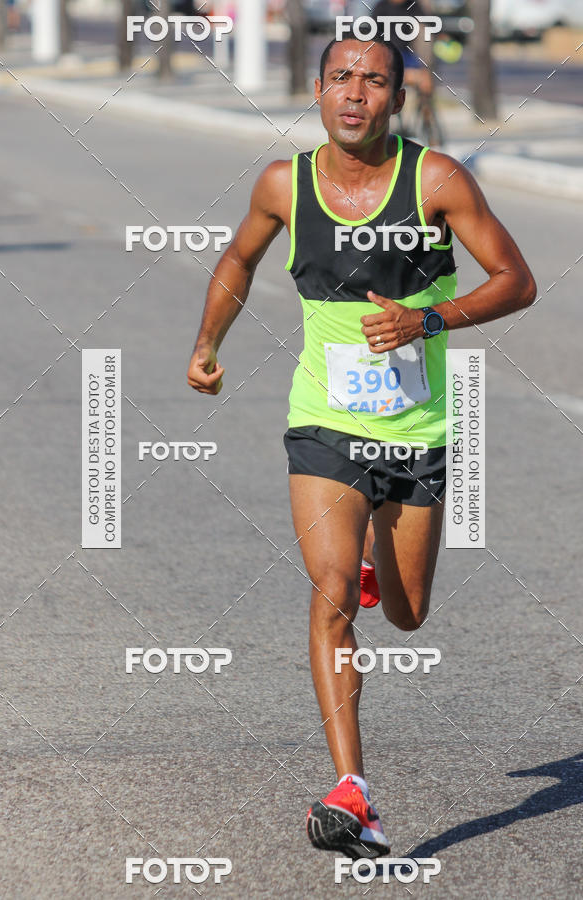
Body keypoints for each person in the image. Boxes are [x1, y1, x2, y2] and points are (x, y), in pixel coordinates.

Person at [187, 32, 536, 859]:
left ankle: (387, 557)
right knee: (332, 589)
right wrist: (206, 345)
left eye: (374, 80)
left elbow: (515, 281)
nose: (355, 92)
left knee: (408, 614)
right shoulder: (285, 183)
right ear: (316, 92)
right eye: (340, 77)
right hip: (325, 424)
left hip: (416, 430)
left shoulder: (438, 180)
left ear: (397, 98)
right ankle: (354, 789)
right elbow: (238, 258)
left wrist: (428, 319)